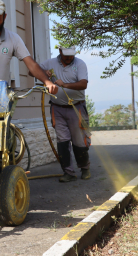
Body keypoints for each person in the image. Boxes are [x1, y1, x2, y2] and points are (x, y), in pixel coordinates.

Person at [38, 46, 91, 182]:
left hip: (76, 107)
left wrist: (65, 85)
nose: (69, 58)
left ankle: (85, 168)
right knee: (63, 140)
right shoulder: (50, 63)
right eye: (66, 55)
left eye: (71, 56)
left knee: (80, 140)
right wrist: (45, 75)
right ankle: (68, 172)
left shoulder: (80, 64)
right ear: (60, 52)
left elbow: (83, 84)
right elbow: (31, 70)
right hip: (57, 108)